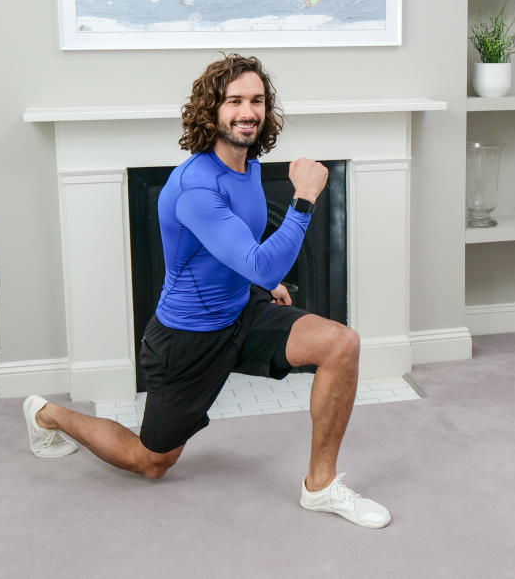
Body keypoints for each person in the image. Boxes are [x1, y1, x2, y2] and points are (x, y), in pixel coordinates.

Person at [20, 53, 391, 529]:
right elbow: (255, 258)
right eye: (234, 100)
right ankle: (48, 414)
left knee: (341, 343)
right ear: (211, 111)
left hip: (242, 309)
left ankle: (319, 486)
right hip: (188, 338)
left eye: (256, 100)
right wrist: (303, 199)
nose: (248, 111)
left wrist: (267, 281)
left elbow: (234, 250)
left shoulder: (247, 166)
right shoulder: (196, 185)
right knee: (150, 461)